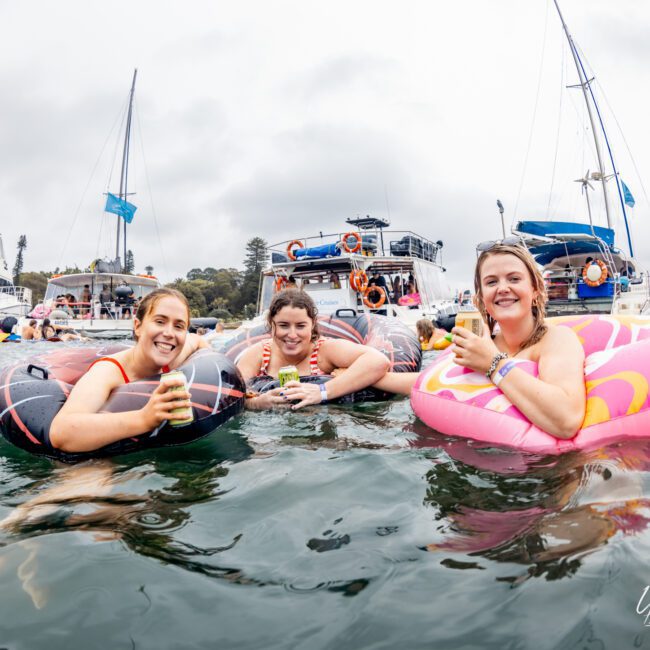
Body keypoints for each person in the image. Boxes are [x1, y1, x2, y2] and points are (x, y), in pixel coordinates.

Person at [49, 288, 210, 453]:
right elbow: (61, 432)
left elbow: (197, 341)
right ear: (138, 326)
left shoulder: (173, 355)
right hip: (91, 458)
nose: (169, 333)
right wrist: (144, 419)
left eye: (179, 326)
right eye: (160, 322)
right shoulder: (107, 372)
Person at [236, 289, 390, 410]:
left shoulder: (325, 350)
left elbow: (378, 361)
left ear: (313, 324)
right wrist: (256, 403)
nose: (292, 335)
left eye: (301, 326)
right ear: (271, 323)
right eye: (283, 325)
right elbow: (231, 395)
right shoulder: (260, 354)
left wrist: (322, 391)